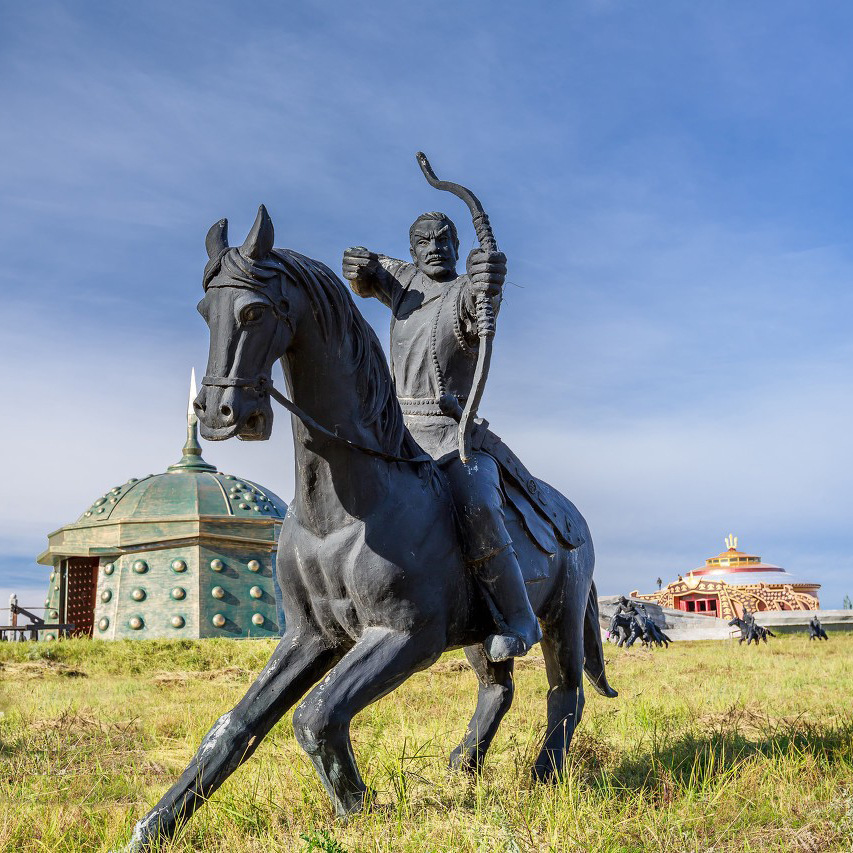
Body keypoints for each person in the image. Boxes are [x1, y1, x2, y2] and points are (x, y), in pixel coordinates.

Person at [342, 212, 541, 662]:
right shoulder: (405, 283)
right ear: (412, 249)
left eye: (442, 240)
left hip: (452, 431)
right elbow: (369, 270)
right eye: (422, 241)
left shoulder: (465, 290)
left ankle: (517, 617)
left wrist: (487, 280)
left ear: (456, 246)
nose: (433, 247)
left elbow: (479, 298)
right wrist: (355, 264)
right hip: (395, 432)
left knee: (480, 505)